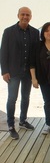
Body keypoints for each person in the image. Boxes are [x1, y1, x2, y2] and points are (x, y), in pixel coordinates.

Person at [0, 7, 40, 140]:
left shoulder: (35, 32)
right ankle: (11, 125)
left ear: (31, 17)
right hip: (13, 72)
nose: (25, 17)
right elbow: (3, 52)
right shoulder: (8, 32)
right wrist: (4, 71)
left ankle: (23, 121)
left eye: (27, 15)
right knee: (12, 99)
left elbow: (36, 53)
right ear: (18, 15)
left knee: (26, 97)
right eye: (23, 14)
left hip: (28, 72)